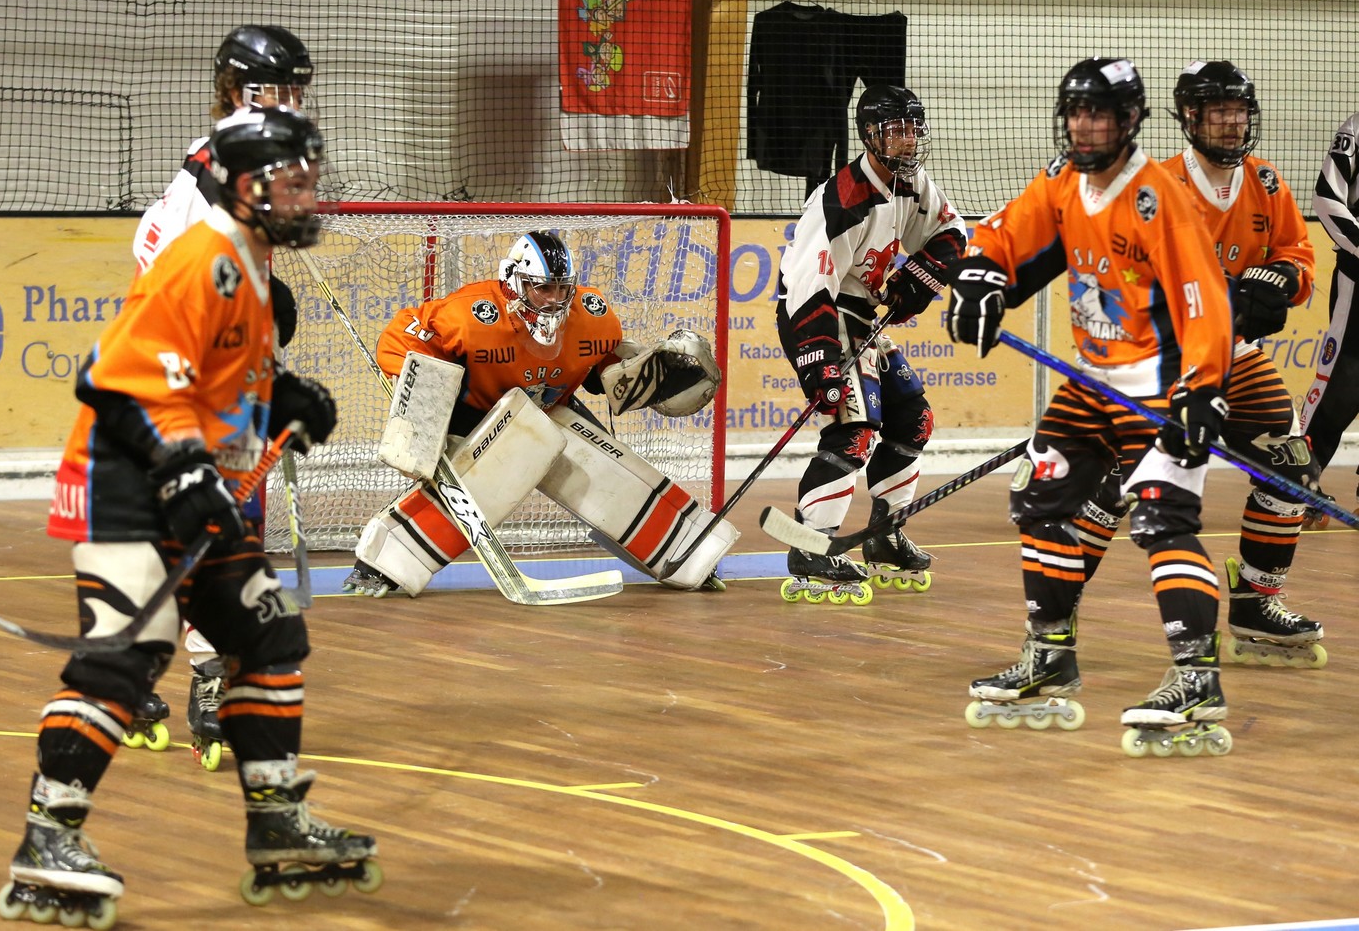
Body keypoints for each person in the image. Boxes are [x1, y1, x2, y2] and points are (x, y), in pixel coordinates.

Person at [0, 109, 373, 927]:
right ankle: (47, 838)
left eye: (310, 181)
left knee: (269, 637)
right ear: (246, 187)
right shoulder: (203, 258)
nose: (310, 197)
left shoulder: (254, 266)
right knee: (125, 662)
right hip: (126, 484)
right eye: (294, 183)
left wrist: (283, 400)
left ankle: (275, 820)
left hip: (190, 481)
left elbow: (219, 385)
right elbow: (113, 378)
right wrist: (184, 469)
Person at [948, 58, 1236, 754]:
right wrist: (980, 276)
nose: (1083, 126)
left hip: (1162, 389)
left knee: (1163, 522)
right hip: (1092, 381)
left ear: (1129, 120)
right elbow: (1002, 233)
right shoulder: (1061, 180)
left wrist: (1203, 389)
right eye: (1075, 112)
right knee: (1039, 498)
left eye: (1098, 114)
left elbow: (1205, 300)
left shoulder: (1159, 198)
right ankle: (1049, 654)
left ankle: (1196, 678)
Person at [1069, 61, 1323, 667]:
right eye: (1219, 112)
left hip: (1233, 355)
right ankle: (1056, 599)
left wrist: (1282, 280)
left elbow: (1297, 255)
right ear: (1190, 117)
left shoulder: (1266, 183)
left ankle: (1256, 600)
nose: (1232, 123)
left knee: (1288, 461)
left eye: (1239, 112)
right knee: (1123, 477)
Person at [341, 230, 735, 599]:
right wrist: (427, 407)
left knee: (607, 472)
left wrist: (649, 376)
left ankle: (689, 555)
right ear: (514, 281)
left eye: (562, 288)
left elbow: (606, 370)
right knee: (480, 485)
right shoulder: (471, 315)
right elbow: (402, 335)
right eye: (543, 287)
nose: (554, 299)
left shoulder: (592, 316)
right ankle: (381, 565)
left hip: (549, 409)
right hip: (475, 413)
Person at [130, 23, 315, 759]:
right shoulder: (206, 176)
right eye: (279, 89)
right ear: (240, 91)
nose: (293, 103)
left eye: (299, 89)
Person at [773, 83, 966, 601]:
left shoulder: (913, 184)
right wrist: (821, 361)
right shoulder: (841, 200)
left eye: (913, 129)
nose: (908, 140)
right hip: (819, 316)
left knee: (912, 418)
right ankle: (811, 546)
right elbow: (806, 287)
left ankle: (885, 535)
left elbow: (952, 233)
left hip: (861, 317)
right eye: (895, 130)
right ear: (869, 135)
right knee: (853, 430)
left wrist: (919, 277)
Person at [1298, 97, 1359, 522]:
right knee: (1342, 384)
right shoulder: (1356, 129)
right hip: (1358, 283)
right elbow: (1326, 198)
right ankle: (1298, 485)